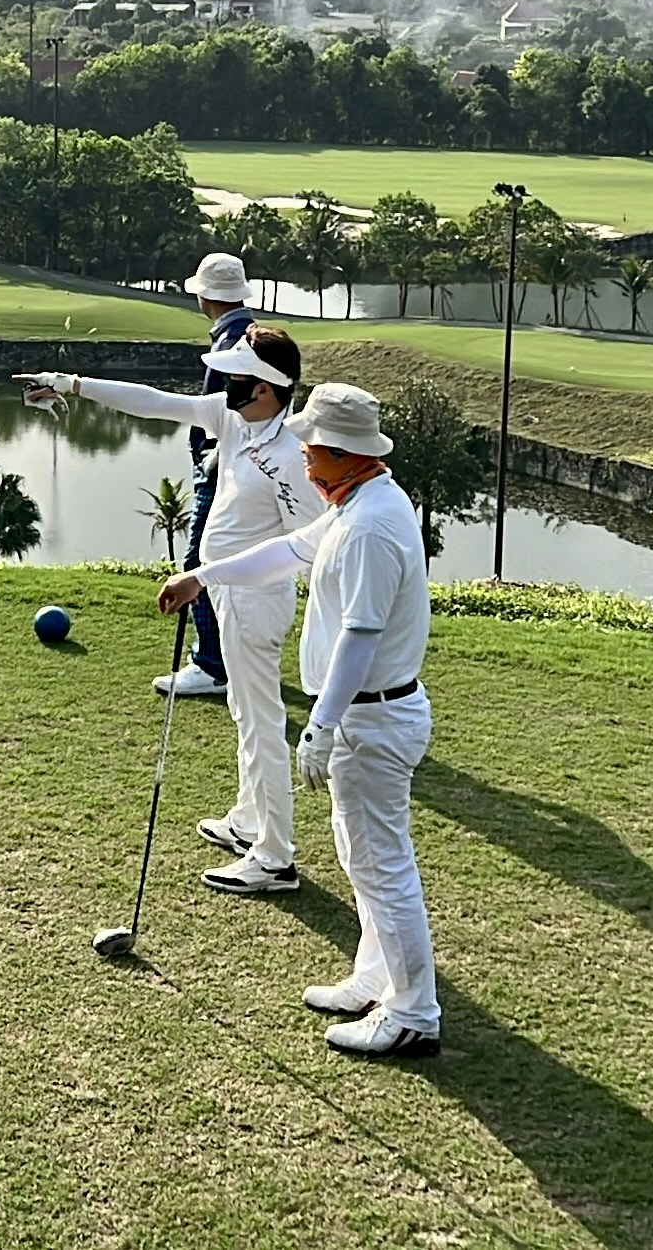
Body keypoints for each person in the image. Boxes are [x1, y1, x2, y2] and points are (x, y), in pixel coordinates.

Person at [159, 383, 439, 1057]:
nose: (305, 460)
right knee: (361, 856)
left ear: (346, 455)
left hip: (372, 719)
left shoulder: (370, 525)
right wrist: (204, 574)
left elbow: (361, 635)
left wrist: (320, 724)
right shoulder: (356, 503)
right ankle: (376, 976)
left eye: (314, 450)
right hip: (364, 716)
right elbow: (286, 553)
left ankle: (413, 1012)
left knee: (382, 865)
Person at [21, 324, 316, 897]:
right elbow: (153, 403)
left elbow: (302, 546)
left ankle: (275, 856)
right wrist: (70, 384)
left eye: (236, 374)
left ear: (264, 387)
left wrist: (210, 575)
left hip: (256, 600)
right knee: (244, 714)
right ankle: (249, 819)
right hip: (226, 593)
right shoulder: (233, 420)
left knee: (262, 724)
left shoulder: (290, 456)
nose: (225, 380)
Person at [156, 250, 258, 701]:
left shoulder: (231, 342)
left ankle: (212, 665)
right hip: (236, 468)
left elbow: (225, 415)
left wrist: (208, 463)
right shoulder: (245, 333)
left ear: (205, 296)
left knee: (200, 562)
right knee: (227, 564)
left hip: (221, 471)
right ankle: (232, 659)